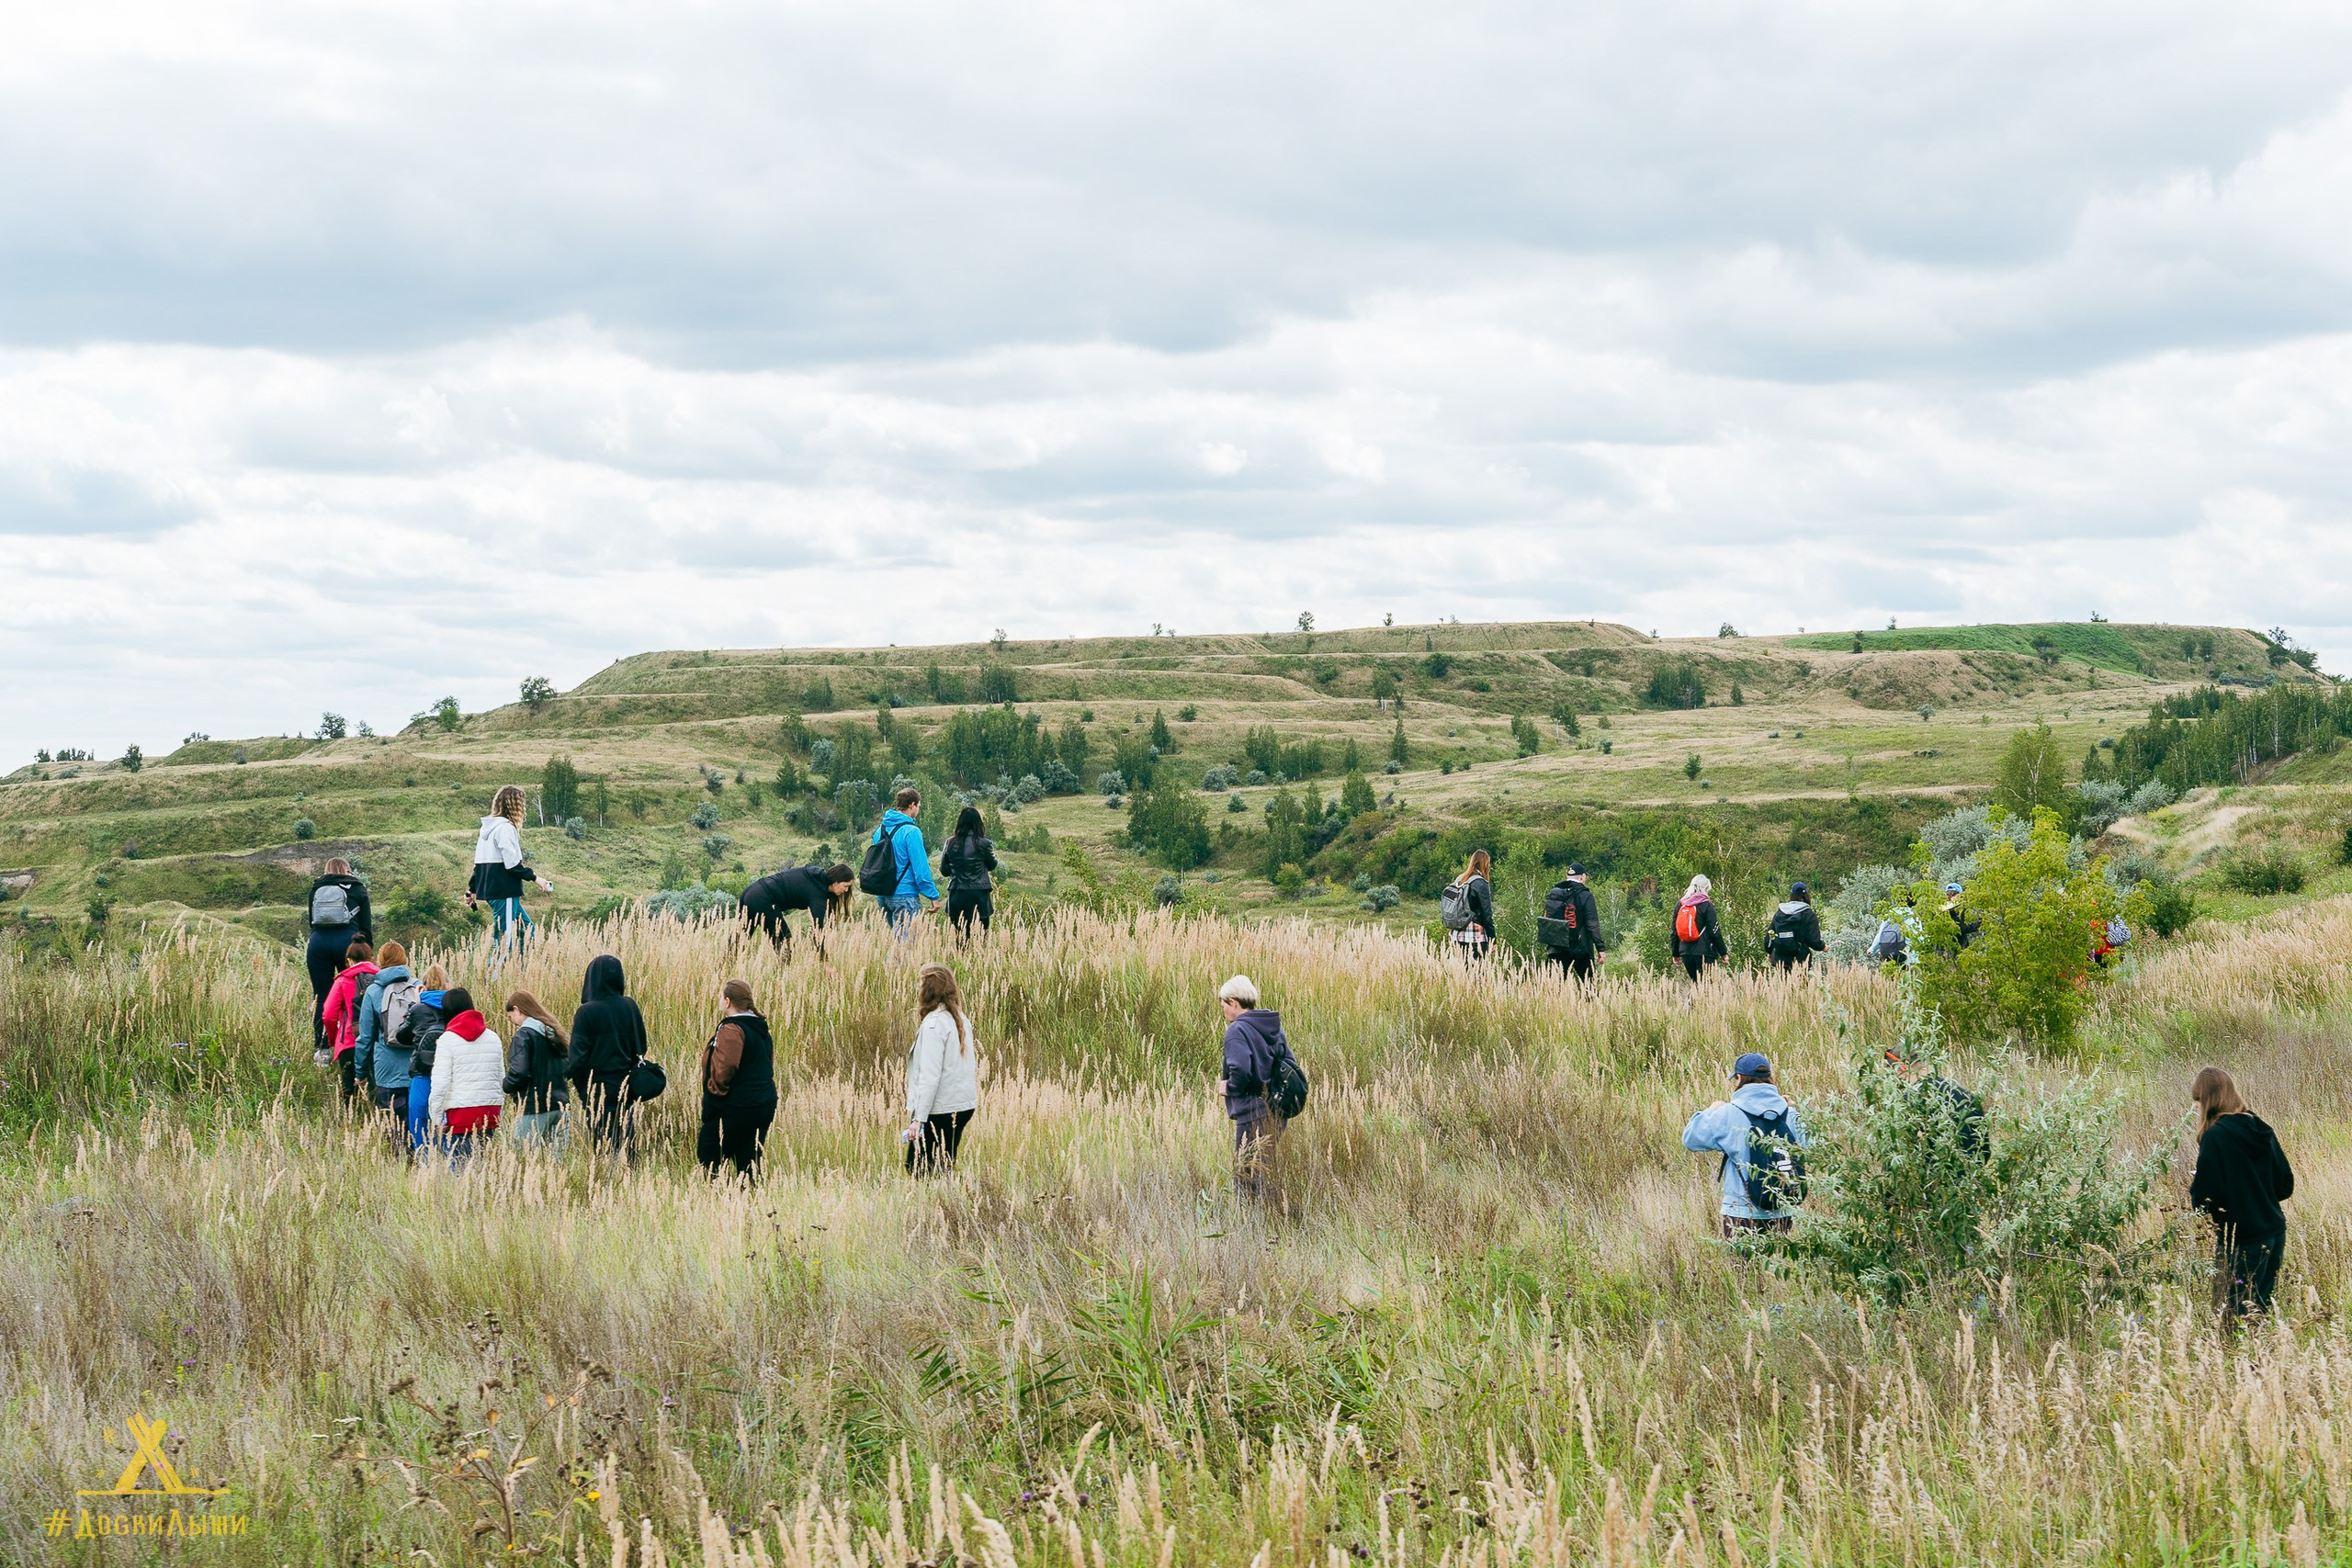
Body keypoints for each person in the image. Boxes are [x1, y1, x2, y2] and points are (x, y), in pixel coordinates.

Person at [2188, 1066, 2296, 1323]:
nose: (2197, 1109)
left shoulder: (2215, 1137)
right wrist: (2257, 1196)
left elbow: (2204, 1198)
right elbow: (2285, 1185)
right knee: (2258, 1317)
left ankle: (2238, 1363)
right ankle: (2264, 1362)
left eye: (2198, 1102)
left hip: (2241, 1240)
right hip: (2274, 1232)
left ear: (2209, 1101)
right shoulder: (2260, 1127)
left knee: (2232, 1321)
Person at [1680, 1052, 1806, 1237]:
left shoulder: (1729, 1113)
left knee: (1742, 1266)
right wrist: (1796, 1109)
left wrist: (1710, 1110)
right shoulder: (1789, 1113)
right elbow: (1813, 1145)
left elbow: (1690, 1139)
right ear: (1769, 1077)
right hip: (1782, 1210)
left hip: (1741, 1212)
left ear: (1738, 1078)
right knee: (1777, 1265)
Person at [567, 953, 650, 1158]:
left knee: (603, 1150)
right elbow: (641, 1046)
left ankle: (607, 1186)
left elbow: (577, 1059)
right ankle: (631, 1183)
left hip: (597, 1089)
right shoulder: (630, 1006)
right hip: (627, 1086)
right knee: (627, 1144)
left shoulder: (586, 1012)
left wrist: (583, 1090)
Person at [1217, 974, 1289, 1203]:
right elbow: (1290, 1064)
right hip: (1278, 1109)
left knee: (1244, 1173)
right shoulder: (1273, 1028)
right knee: (1264, 1169)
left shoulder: (1237, 1030)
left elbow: (1240, 1070)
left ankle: (1249, 1225)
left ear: (1233, 1002)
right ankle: (1274, 1219)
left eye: (1223, 1003)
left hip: (1252, 1112)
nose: (1223, 1009)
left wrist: (1228, 1087)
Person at [902, 965, 978, 1174]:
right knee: (944, 1164)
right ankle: (949, 1200)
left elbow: (930, 1076)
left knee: (917, 1167)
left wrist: (919, 1119)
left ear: (928, 991)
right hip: (963, 1105)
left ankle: (934, 1204)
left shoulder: (933, 1025)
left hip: (942, 1108)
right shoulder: (961, 1019)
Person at [700, 979, 780, 1179]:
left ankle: (720, 1199)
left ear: (727, 1002)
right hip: (763, 1102)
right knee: (748, 1160)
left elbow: (726, 1066)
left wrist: (714, 1092)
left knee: (709, 1153)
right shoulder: (760, 1028)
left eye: (721, 997)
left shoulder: (732, 1029)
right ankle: (747, 1200)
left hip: (736, 1105)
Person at [469, 785, 555, 956]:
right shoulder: (505, 828)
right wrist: (536, 878)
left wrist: (471, 889)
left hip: (495, 892)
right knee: (504, 940)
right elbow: (512, 865)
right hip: (504, 892)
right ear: (515, 806)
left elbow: (478, 865)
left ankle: (519, 970)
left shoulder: (487, 830)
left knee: (528, 930)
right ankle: (494, 977)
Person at [302, 856, 372, 1061]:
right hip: (348, 943)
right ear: (347, 870)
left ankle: (322, 1050)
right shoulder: (358, 888)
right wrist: (366, 952)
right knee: (354, 993)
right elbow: (366, 926)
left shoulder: (316, 887)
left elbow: (311, 921)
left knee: (321, 996)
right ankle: (353, 1046)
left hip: (318, 944)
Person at [427, 986, 504, 1168]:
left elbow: (440, 1083)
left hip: (461, 1114)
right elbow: (501, 1077)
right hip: (490, 1111)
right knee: (484, 1167)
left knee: (462, 1171)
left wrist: (436, 1118)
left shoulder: (448, 1039)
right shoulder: (493, 1037)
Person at [1882, 1045, 1988, 1164]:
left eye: (1893, 1075)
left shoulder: (1906, 1104)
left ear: (1901, 1069)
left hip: (1930, 1180)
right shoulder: (1967, 1096)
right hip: (1971, 1178)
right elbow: (1984, 1151)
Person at [355, 941, 419, 1122]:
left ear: (380, 962)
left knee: (395, 1128)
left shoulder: (373, 991)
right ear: (405, 959)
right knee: (421, 1127)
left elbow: (365, 1038)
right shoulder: (418, 986)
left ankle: (399, 1151)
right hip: (418, 1067)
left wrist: (360, 1073)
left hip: (387, 1070)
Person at [502, 989, 572, 1154]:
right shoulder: (554, 1033)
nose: (511, 1020)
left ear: (517, 1009)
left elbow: (519, 1071)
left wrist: (506, 1086)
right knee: (557, 1165)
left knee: (524, 1160)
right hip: (560, 1105)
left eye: (510, 1014)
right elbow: (569, 1068)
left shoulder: (524, 1035)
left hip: (533, 1107)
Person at [739, 862, 854, 955]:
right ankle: (784, 978)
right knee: (786, 943)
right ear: (835, 882)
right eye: (846, 886)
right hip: (763, 899)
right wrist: (824, 962)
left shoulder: (816, 876)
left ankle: (725, 968)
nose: (846, 891)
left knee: (738, 942)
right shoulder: (818, 894)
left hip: (751, 892)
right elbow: (817, 929)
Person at [396, 964, 451, 1155]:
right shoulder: (455, 1006)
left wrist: (414, 1004)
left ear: (424, 985)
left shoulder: (418, 1008)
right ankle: (448, 1161)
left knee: (419, 1124)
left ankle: (425, 1162)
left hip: (423, 1071)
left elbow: (401, 1036)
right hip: (450, 1075)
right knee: (447, 1122)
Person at [870, 788, 941, 936]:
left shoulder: (880, 830)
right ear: (912, 805)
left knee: (899, 943)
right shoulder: (911, 831)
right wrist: (933, 896)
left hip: (883, 895)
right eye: (919, 806)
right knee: (904, 947)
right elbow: (920, 868)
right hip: (905, 894)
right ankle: (891, 961)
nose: (918, 810)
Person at [319, 937, 379, 1102]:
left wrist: (333, 1039)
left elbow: (328, 1015)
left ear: (349, 960)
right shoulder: (381, 979)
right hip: (378, 1042)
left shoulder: (343, 981)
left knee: (350, 1095)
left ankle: (350, 1123)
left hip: (349, 1042)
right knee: (377, 1092)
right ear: (371, 958)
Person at [938, 807, 1000, 939]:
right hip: (979, 894)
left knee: (960, 937)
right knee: (981, 938)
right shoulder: (984, 843)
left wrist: (956, 870)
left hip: (957, 892)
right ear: (979, 823)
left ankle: (960, 958)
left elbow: (944, 870)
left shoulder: (950, 842)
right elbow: (992, 865)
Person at [1540, 863, 1607, 981]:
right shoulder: (1586, 895)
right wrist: (1600, 948)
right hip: (1579, 947)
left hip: (1557, 947)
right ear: (1582, 876)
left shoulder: (1555, 894)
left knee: (1555, 988)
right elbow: (1592, 924)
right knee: (1589, 986)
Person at [1670, 874, 1727, 980]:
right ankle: (1692, 998)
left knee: (1696, 984)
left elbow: (1674, 932)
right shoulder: (1706, 905)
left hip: (1686, 952)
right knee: (1706, 987)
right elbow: (1714, 931)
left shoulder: (1681, 904)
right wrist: (1723, 953)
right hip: (1705, 952)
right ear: (1705, 888)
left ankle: (1690, 998)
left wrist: (1675, 953)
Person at [1766, 883, 1826, 975]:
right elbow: (1813, 940)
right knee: (1800, 988)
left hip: (1780, 959)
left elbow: (1770, 934)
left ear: (1791, 895)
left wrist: (1769, 951)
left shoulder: (1780, 912)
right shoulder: (1809, 914)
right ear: (1806, 895)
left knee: (1781, 987)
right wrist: (1823, 946)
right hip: (1800, 960)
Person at [1449, 851, 1495, 964]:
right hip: (1475, 933)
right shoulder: (1481, 883)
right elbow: (1487, 914)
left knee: (1461, 969)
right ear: (1485, 864)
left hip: (1457, 930)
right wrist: (1493, 939)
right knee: (1479, 970)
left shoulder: (1460, 879)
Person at [1942, 883, 1980, 950]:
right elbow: (1962, 929)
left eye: (1952, 894)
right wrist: (1978, 924)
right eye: (1949, 894)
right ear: (1959, 895)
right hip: (1959, 945)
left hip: (1944, 946)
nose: (1951, 896)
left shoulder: (1941, 908)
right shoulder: (1958, 908)